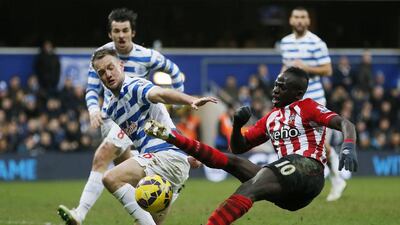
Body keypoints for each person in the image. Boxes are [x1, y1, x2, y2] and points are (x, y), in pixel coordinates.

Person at [145, 67, 358, 225]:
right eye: (275, 84)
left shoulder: (307, 106)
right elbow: (238, 147)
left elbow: (345, 123)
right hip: (290, 193)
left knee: (249, 188)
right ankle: (172, 137)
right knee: (232, 161)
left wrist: (348, 145)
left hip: (309, 171)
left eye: (282, 87)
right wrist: (237, 125)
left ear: (297, 93)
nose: (275, 90)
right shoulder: (270, 119)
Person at [57, 8, 186, 225]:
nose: (121, 35)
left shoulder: (147, 55)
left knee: (101, 158)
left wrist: (175, 104)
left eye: (125, 30)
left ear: (133, 32)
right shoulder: (100, 56)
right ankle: (163, 201)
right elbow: (91, 89)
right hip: (112, 118)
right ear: (110, 34)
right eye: (116, 31)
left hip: (134, 117)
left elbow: (174, 70)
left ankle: (80, 214)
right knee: (132, 177)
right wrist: (93, 110)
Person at [93, 48, 216, 224]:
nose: (108, 74)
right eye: (102, 72)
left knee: (110, 178)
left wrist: (190, 100)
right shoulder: (111, 108)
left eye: (111, 67)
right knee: (148, 221)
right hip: (167, 162)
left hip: (166, 159)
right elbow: (160, 129)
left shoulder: (134, 86)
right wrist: (187, 155)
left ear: (121, 65)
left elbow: (160, 94)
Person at [279, 7, 346, 202]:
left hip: (314, 98)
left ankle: (336, 178)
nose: (299, 20)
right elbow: (288, 67)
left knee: (321, 143)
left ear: (308, 21)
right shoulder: (285, 43)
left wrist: (305, 67)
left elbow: (327, 70)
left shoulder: (317, 43)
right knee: (294, 139)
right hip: (293, 99)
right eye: (296, 17)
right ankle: (301, 181)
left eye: (303, 17)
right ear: (291, 20)